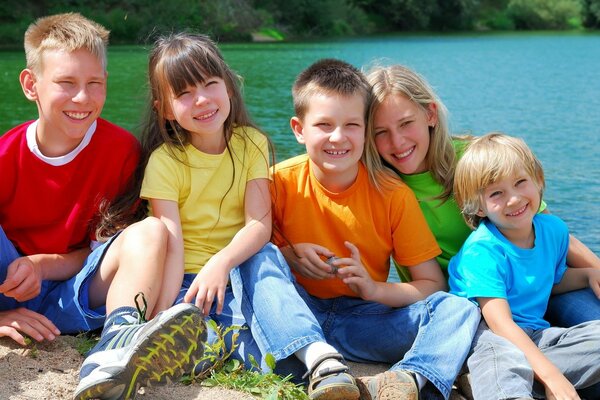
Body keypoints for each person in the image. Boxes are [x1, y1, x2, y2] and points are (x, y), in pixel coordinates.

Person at [137, 33, 362, 400]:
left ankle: (320, 358)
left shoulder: (250, 143)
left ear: (228, 85)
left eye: (210, 84)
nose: (202, 100)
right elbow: (171, 243)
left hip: (241, 270)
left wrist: (221, 263)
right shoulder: (165, 162)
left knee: (266, 253)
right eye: (184, 94)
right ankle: (266, 356)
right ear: (165, 108)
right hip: (189, 284)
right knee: (234, 340)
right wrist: (165, 316)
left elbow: (259, 224)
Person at [0, 13, 206, 400]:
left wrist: (42, 265)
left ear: (105, 84)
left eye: (94, 83)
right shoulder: (6, 156)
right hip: (6, 285)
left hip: (73, 293)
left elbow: (103, 251)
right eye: (66, 83)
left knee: (151, 230)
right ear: (32, 85)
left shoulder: (122, 152)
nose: (82, 98)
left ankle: (115, 346)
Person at [261, 58, 480, 399]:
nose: (338, 137)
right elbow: (255, 269)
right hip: (296, 314)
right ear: (298, 129)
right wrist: (287, 255)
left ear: (364, 129)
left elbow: (431, 284)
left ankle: (410, 379)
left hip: (362, 320)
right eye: (324, 124)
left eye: (352, 125)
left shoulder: (392, 194)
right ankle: (316, 359)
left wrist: (373, 289)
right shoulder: (276, 182)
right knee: (257, 255)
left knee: (459, 308)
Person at [366, 64, 600, 328]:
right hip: (468, 307)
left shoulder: (474, 159)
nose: (397, 142)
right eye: (380, 132)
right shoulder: (377, 188)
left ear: (430, 114)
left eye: (406, 123)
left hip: (537, 288)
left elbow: (545, 227)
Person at [448, 132, 600, 400]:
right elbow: (501, 324)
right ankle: (507, 383)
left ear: (538, 180)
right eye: (497, 193)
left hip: (537, 335)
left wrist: (588, 274)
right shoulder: (482, 251)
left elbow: (547, 281)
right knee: (501, 361)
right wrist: (552, 376)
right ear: (479, 207)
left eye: (520, 182)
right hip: (487, 337)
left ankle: (520, 379)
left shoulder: (553, 231)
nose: (514, 199)